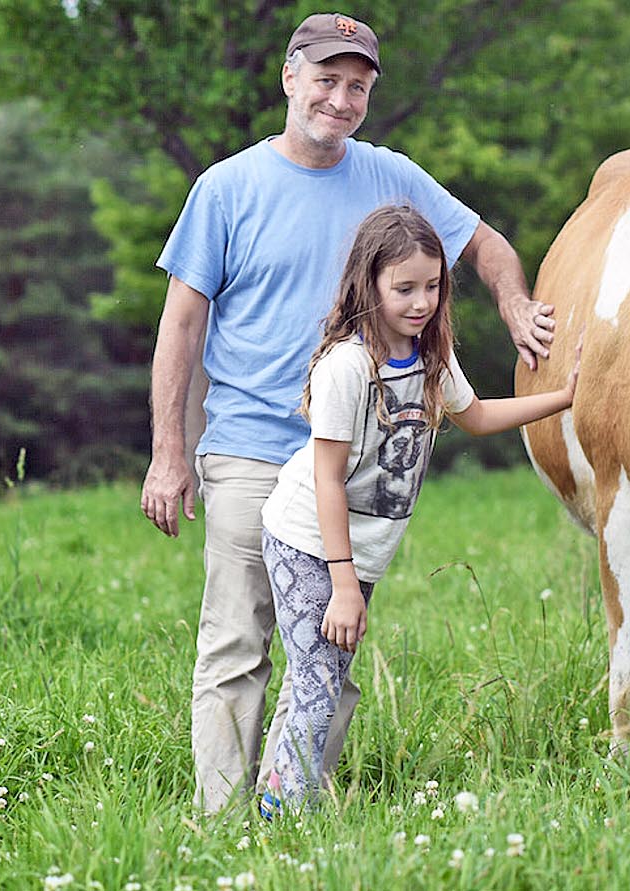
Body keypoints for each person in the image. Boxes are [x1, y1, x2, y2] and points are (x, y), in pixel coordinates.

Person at [138, 12, 557, 815]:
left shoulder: (390, 175)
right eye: (326, 80)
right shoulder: (226, 189)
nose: (340, 98)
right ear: (290, 77)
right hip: (255, 452)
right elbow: (181, 326)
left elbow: (486, 245)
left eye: (357, 86)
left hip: (358, 466)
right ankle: (226, 818)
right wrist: (170, 452)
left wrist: (516, 305)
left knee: (329, 639)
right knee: (236, 641)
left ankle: (292, 804)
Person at [257, 205, 579, 816]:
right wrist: (345, 585)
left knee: (317, 680)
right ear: (369, 284)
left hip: (357, 553)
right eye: (403, 288)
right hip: (308, 541)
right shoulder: (347, 367)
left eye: (432, 286)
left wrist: (563, 398)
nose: (420, 302)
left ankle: (279, 805)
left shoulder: (430, 356)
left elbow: (477, 415)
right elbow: (328, 480)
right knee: (318, 686)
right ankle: (283, 828)